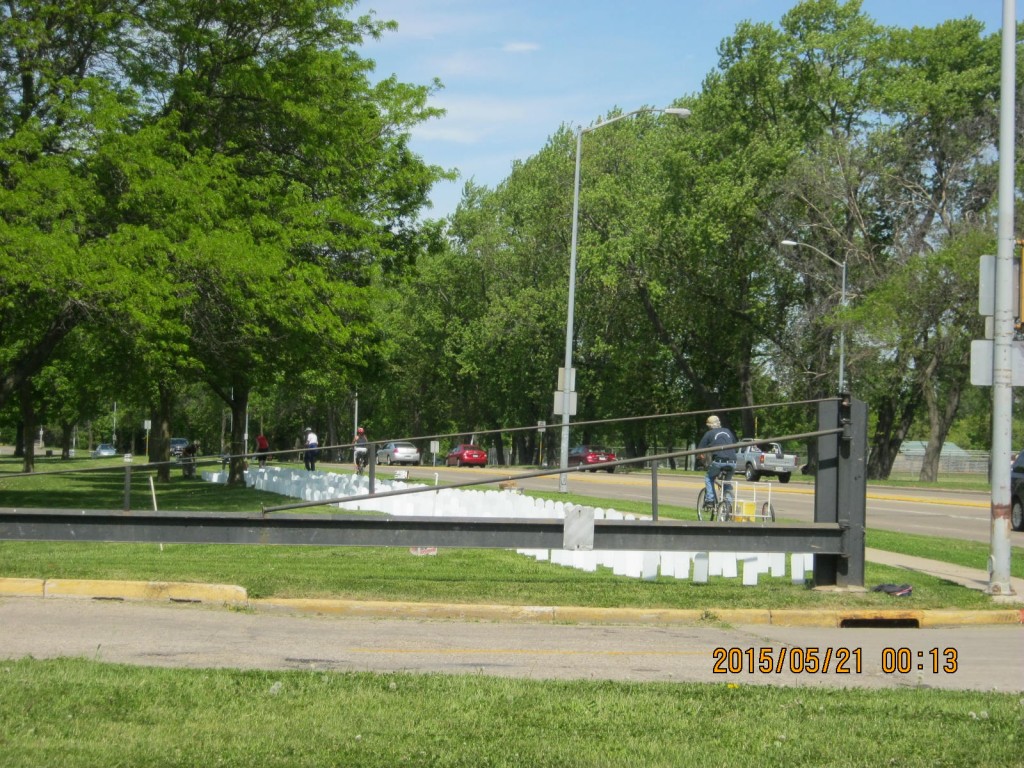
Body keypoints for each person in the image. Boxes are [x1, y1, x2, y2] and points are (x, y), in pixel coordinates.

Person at [697, 414, 737, 513]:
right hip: (733, 462)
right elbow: (734, 443)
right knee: (726, 483)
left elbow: (699, 450)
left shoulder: (709, 434)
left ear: (709, 426)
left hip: (719, 461)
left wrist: (700, 457)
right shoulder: (727, 431)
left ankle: (710, 500)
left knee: (708, 477)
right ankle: (728, 505)